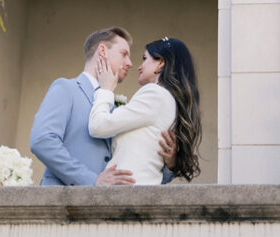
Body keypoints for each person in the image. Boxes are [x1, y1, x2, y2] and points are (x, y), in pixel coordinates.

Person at [30, 26, 177, 186]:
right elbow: (42, 141)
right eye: (124, 54)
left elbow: (136, 166)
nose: (130, 63)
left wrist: (170, 165)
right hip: (62, 202)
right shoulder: (66, 88)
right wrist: (91, 180)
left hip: (106, 206)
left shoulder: (115, 108)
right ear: (102, 51)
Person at [88, 36, 201, 185]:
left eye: (144, 58)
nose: (139, 66)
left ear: (160, 63)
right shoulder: (168, 99)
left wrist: (105, 90)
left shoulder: (155, 94)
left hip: (128, 190)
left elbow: (98, 126)